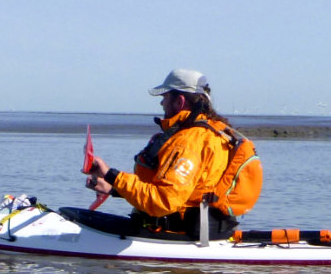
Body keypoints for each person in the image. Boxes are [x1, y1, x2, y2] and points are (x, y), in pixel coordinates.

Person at [83, 68, 254, 239]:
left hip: (180, 236)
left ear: (179, 101)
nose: (161, 104)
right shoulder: (207, 133)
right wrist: (115, 189)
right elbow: (175, 191)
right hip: (191, 231)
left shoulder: (189, 142)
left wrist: (112, 175)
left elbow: (164, 201)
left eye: (164, 97)